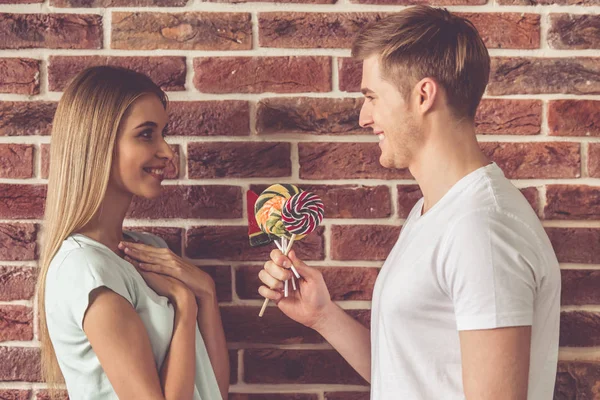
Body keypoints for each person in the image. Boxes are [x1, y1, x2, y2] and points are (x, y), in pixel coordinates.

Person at [258, 6, 561, 399]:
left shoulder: (482, 230)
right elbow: (411, 376)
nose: (365, 117)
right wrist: (323, 317)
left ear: (422, 95)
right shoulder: (436, 212)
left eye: (372, 96)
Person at [36, 66, 229, 400]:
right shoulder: (86, 270)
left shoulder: (148, 250)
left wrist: (206, 294)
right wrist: (184, 304)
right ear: (98, 144)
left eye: (162, 133)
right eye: (146, 134)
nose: (167, 151)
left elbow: (213, 390)